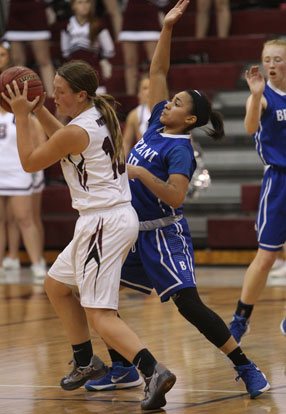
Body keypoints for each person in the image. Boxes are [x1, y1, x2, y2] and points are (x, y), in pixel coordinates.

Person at [84, 0, 270, 399]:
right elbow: (158, 71)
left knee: (189, 305)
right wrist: (166, 28)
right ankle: (122, 368)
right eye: (171, 99)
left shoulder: (180, 149)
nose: (168, 102)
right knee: (101, 293)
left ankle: (246, 366)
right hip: (130, 228)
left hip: (164, 234)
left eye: (178, 103)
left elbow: (176, 195)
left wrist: (140, 173)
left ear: (189, 120)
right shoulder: (154, 123)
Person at [1, 60, 177, 410]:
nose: (53, 95)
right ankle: (86, 362)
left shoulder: (78, 130)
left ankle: (152, 370)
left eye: (60, 92)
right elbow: (63, 139)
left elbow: (31, 162)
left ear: (80, 95)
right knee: (56, 286)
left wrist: (21, 115)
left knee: (99, 314)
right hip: (101, 220)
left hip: (103, 224)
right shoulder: (97, 111)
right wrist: (37, 113)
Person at [228, 39, 286, 343]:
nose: (272, 64)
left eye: (278, 59)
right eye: (267, 59)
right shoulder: (264, 96)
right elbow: (251, 127)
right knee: (266, 257)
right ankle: (241, 318)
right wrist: (255, 95)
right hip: (279, 182)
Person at [0, 41, 47, 277]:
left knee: (24, 218)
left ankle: (38, 263)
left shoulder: (24, 115)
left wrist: (36, 172)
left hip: (19, 171)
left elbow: (40, 144)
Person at [60, 0, 115, 93]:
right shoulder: (67, 26)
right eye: (80, 2)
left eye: (87, 2)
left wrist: (100, 58)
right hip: (74, 71)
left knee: (96, 101)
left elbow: (109, 49)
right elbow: (65, 51)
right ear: (73, 6)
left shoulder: (98, 24)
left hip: (93, 69)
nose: (84, 6)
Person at [4, 0, 55, 97]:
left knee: (43, 60)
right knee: (17, 61)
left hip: (35, 9)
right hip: (16, 10)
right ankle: (21, 97)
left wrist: (47, 5)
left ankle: (53, 98)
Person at [118, 0, 169, 95]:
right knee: (130, 62)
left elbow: (163, 2)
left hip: (150, 16)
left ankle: (159, 95)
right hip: (130, 16)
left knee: (155, 62)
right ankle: (131, 97)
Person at [122, 74, 151, 157]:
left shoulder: (170, 110)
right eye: (145, 88)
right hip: (144, 161)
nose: (149, 91)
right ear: (139, 93)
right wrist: (121, 166)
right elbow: (126, 143)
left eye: (153, 87)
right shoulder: (134, 114)